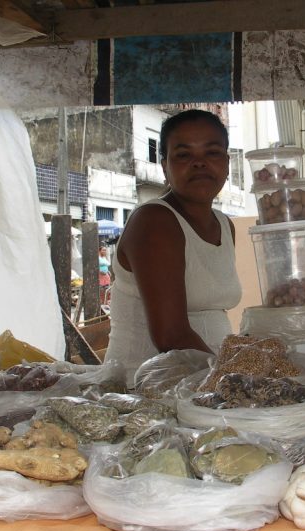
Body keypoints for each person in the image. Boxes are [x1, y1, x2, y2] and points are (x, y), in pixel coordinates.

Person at [104, 110, 242, 371]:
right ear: (165, 166)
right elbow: (171, 336)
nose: (199, 163)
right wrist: (237, 377)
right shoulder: (154, 221)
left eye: (212, 152)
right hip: (144, 390)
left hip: (205, 383)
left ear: (226, 162)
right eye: (183, 155)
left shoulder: (224, 225)